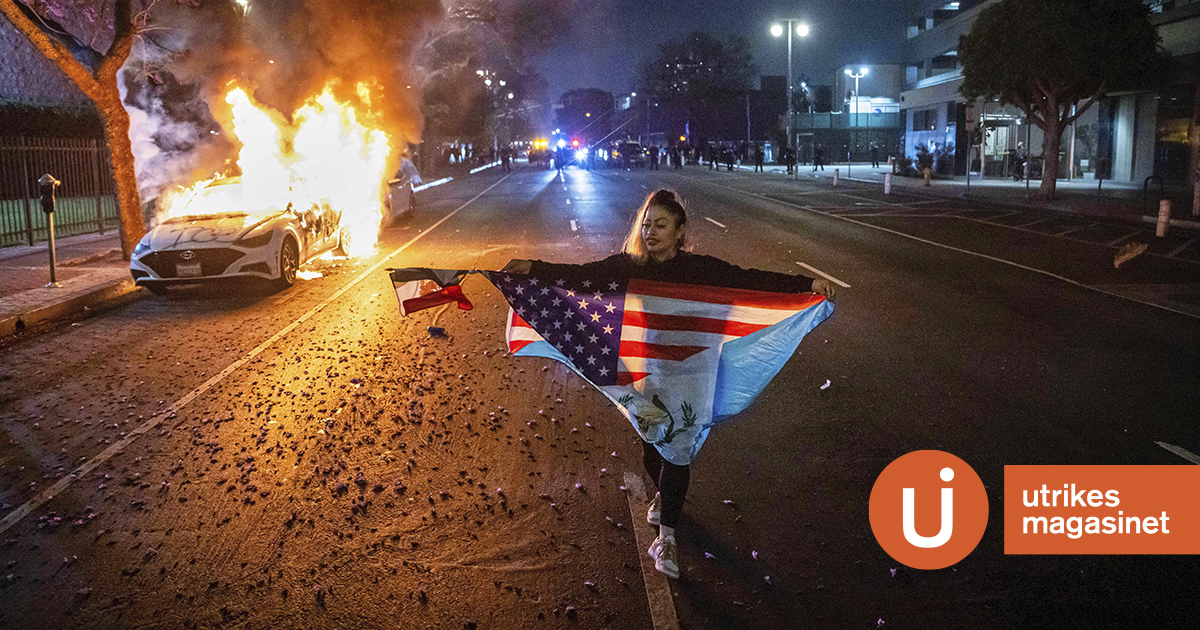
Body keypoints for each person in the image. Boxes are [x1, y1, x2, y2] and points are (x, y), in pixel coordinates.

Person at [501, 189, 836, 579]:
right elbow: (580, 275)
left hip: (693, 374)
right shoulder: (628, 266)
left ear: (680, 232)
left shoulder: (701, 269)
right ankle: (663, 496)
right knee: (652, 447)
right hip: (647, 372)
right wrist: (531, 266)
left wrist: (804, 284)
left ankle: (668, 537)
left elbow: (750, 280)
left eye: (661, 224)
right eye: (646, 224)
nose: (650, 231)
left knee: (677, 450)